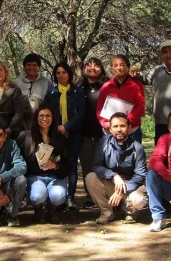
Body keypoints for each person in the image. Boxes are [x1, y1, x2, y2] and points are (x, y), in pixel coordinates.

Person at [130, 40, 171, 143]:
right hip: (161, 124)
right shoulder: (157, 71)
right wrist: (135, 72)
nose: (168, 54)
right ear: (161, 55)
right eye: (164, 52)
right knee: (162, 156)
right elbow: (144, 78)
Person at [86, 113, 148, 224]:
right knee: (90, 178)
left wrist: (122, 190)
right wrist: (113, 175)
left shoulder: (137, 148)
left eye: (122, 126)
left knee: (139, 199)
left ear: (129, 127)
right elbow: (96, 165)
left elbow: (140, 175)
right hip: (111, 182)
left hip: (130, 186)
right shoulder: (104, 143)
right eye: (115, 126)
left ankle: (130, 211)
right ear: (109, 128)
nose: (119, 129)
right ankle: (107, 213)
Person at [16, 104, 70, 224]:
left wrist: (56, 166)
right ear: (36, 118)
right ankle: (38, 208)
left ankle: (52, 207)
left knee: (58, 196)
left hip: (55, 176)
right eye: (41, 116)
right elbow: (10, 147)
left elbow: (68, 164)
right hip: (35, 176)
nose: (44, 119)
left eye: (48, 116)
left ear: (53, 118)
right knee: (37, 196)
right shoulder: (26, 136)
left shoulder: (60, 138)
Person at [44, 63, 85, 210]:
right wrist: (58, 128)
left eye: (64, 72)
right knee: (56, 163)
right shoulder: (51, 93)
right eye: (58, 73)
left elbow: (81, 113)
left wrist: (67, 127)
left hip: (74, 133)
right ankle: (57, 199)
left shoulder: (77, 91)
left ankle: (70, 198)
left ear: (69, 74)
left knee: (72, 165)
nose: (61, 75)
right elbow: (47, 112)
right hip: (55, 134)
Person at [96, 54, 146, 143]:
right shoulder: (106, 86)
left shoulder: (137, 85)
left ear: (128, 67)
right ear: (112, 68)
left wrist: (126, 123)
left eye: (122, 65)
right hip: (109, 132)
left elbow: (140, 108)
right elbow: (99, 109)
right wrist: (106, 124)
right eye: (115, 65)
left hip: (132, 131)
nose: (118, 68)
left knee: (132, 156)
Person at [79, 57, 108, 209]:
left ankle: (104, 195)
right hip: (84, 133)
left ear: (101, 69)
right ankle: (90, 197)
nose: (92, 68)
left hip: (103, 133)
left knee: (103, 164)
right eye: (89, 65)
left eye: (96, 65)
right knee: (86, 165)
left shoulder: (107, 86)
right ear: (84, 69)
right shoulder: (79, 88)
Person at [14, 53, 53, 131]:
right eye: (29, 65)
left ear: (39, 67)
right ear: (24, 66)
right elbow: (13, 104)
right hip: (22, 123)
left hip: (42, 123)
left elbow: (51, 103)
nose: (31, 67)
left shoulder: (47, 82)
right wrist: (23, 113)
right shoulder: (17, 83)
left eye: (34, 65)